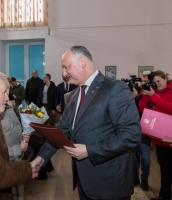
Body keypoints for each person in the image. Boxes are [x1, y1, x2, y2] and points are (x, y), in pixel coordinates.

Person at [31, 46, 141, 200]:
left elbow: (131, 135)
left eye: (66, 67)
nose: (64, 74)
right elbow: (60, 131)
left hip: (110, 183)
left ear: (82, 62)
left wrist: (90, 150)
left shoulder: (115, 89)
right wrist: (41, 158)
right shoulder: (72, 96)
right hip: (84, 181)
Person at [0, 72, 31, 200]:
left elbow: (14, 125)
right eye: (5, 92)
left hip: (15, 159)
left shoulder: (6, 105)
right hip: (7, 161)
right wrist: (19, 148)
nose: (8, 96)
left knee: (17, 193)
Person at [139, 70, 172, 200]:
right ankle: (164, 196)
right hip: (159, 140)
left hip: (170, 139)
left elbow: (170, 109)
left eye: (159, 81)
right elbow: (143, 109)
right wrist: (144, 95)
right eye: (155, 82)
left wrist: (154, 97)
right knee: (164, 170)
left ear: (166, 79)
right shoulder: (155, 92)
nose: (157, 84)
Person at [133, 74, 152, 191]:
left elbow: (145, 110)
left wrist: (138, 97)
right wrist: (135, 97)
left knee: (145, 157)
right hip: (135, 129)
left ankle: (144, 179)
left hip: (146, 130)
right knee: (135, 156)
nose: (143, 83)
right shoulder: (138, 94)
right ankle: (135, 177)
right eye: (142, 81)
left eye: (146, 81)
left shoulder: (151, 95)